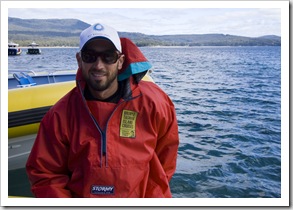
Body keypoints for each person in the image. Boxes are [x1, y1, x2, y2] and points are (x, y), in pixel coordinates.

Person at [26, 23, 179, 198]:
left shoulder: (155, 104)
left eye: (108, 57)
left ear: (120, 61)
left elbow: (165, 163)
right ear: (79, 60)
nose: (99, 65)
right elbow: (46, 175)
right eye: (90, 56)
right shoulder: (59, 115)